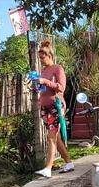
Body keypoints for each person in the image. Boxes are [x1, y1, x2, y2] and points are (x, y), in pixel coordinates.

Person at [32, 39, 74, 178]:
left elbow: (61, 87)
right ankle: (68, 163)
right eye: (40, 58)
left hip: (56, 105)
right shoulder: (43, 71)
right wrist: (37, 85)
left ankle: (48, 168)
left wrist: (46, 81)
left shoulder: (58, 68)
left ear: (50, 56)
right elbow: (44, 88)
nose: (41, 61)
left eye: (43, 58)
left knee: (51, 136)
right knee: (56, 138)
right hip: (45, 107)